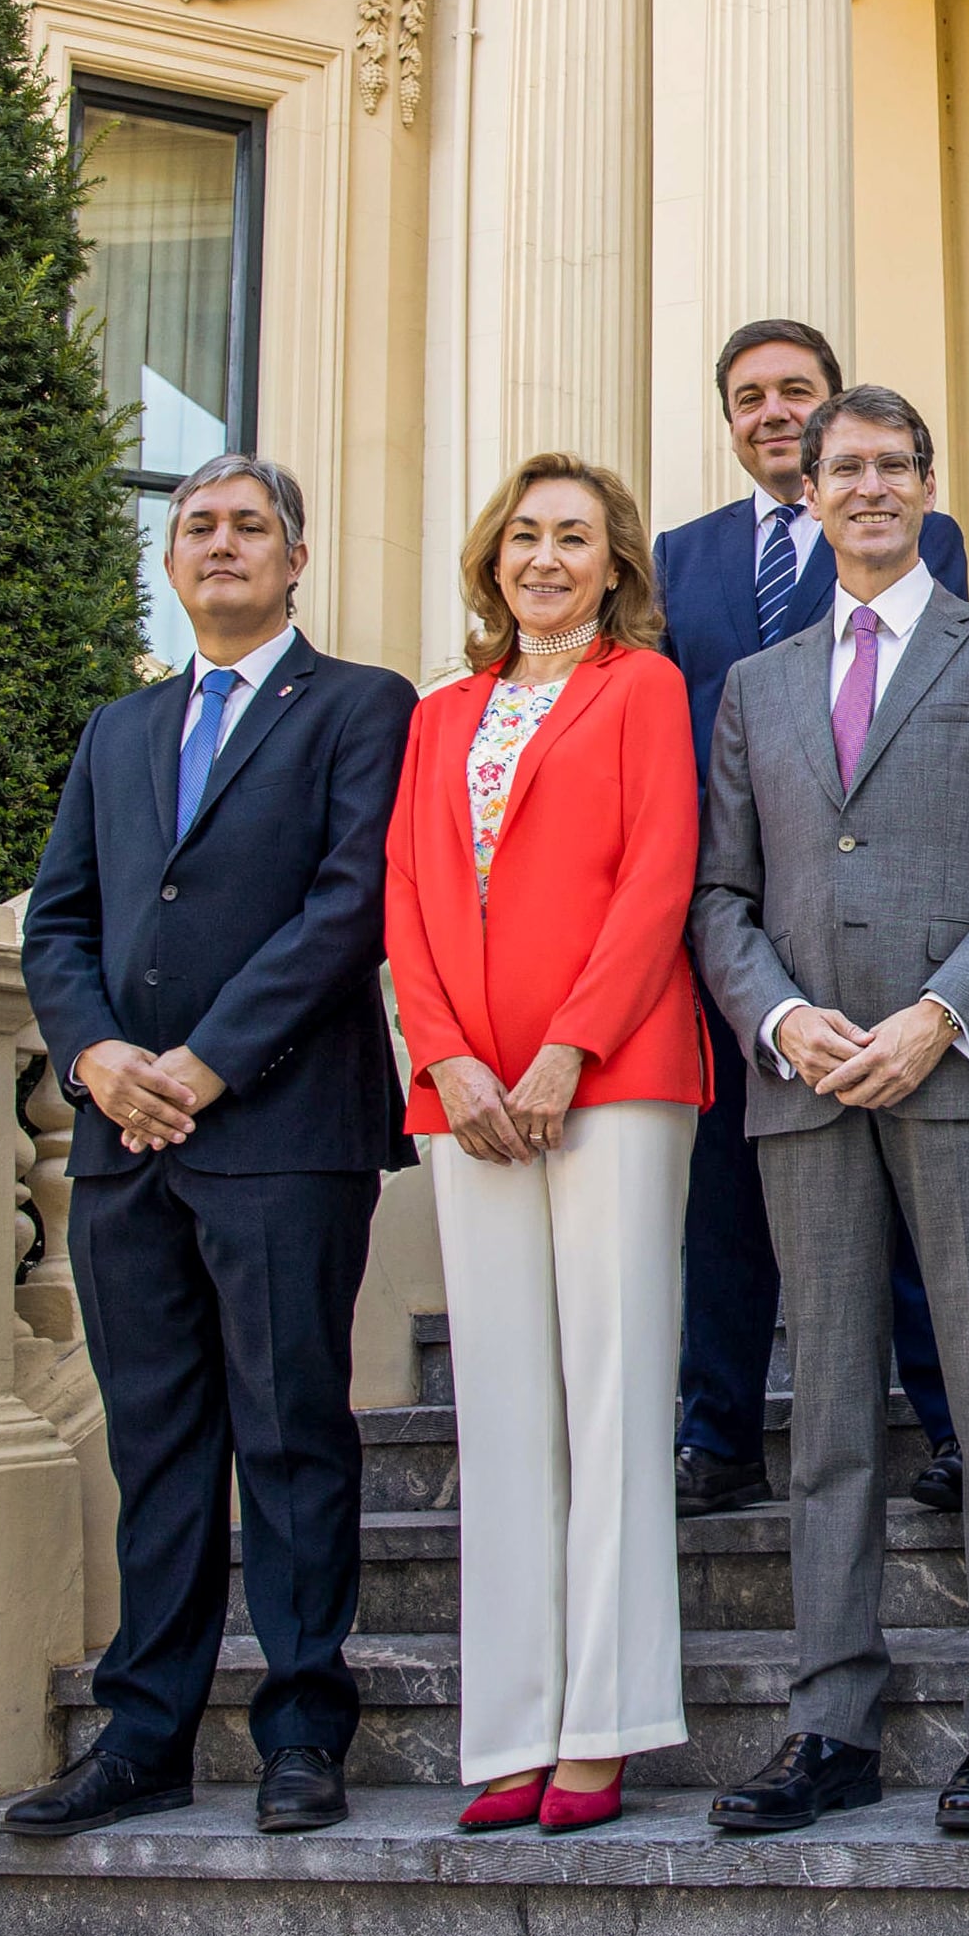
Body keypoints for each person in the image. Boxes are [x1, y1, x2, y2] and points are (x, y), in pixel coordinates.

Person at [692, 384, 969, 1838]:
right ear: (807, 494)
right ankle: (831, 1715)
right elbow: (720, 894)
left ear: (929, 481)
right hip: (806, 1086)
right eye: (840, 467)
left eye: (890, 463)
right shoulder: (757, 682)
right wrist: (787, 1021)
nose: (867, 486)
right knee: (832, 1423)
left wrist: (938, 1014)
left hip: (963, 1068)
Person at [11, 454, 417, 1839]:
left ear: (295, 559)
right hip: (125, 1147)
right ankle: (146, 1731)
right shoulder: (118, 731)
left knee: (294, 1428)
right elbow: (56, 921)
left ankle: (304, 1728)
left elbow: (350, 902)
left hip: (288, 1129)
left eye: (250, 526)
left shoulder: (363, 706)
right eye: (199, 527)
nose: (222, 544)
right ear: (172, 563)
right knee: (158, 1438)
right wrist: (97, 1055)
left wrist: (205, 1058)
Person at [385, 454, 707, 1836]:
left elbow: (659, 874)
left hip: (617, 1074)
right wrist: (448, 1056)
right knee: (505, 1408)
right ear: (491, 556)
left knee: (612, 1394)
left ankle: (606, 1720)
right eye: (526, 535)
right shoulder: (439, 712)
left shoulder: (643, 690)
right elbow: (405, 888)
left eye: (576, 538)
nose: (547, 558)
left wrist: (568, 1047)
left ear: (615, 563)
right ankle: (512, 1724)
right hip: (464, 1096)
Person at [653, 318, 969, 1521]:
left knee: (900, 1192)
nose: (773, 412)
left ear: (838, 413)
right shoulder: (679, 560)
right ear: (728, 421)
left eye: (797, 393)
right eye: (750, 397)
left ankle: (944, 1422)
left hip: (881, 911)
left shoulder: (915, 534)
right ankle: (718, 1433)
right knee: (726, 1196)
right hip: (734, 921)